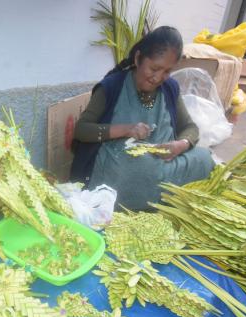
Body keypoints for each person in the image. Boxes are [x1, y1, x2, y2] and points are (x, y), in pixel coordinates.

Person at [70, 26, 215, 211]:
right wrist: (127, 129)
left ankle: (154, 193)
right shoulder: (111, 87)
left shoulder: (170, 88)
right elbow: (81, 130)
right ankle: (162, 195)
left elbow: (190, 127)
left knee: (204, 158)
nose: (158, 77)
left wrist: (181, 145)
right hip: (123, 166)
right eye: (154, 68)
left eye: (167, 72)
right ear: (138, 58)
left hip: (166, 164)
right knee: (134, 167)